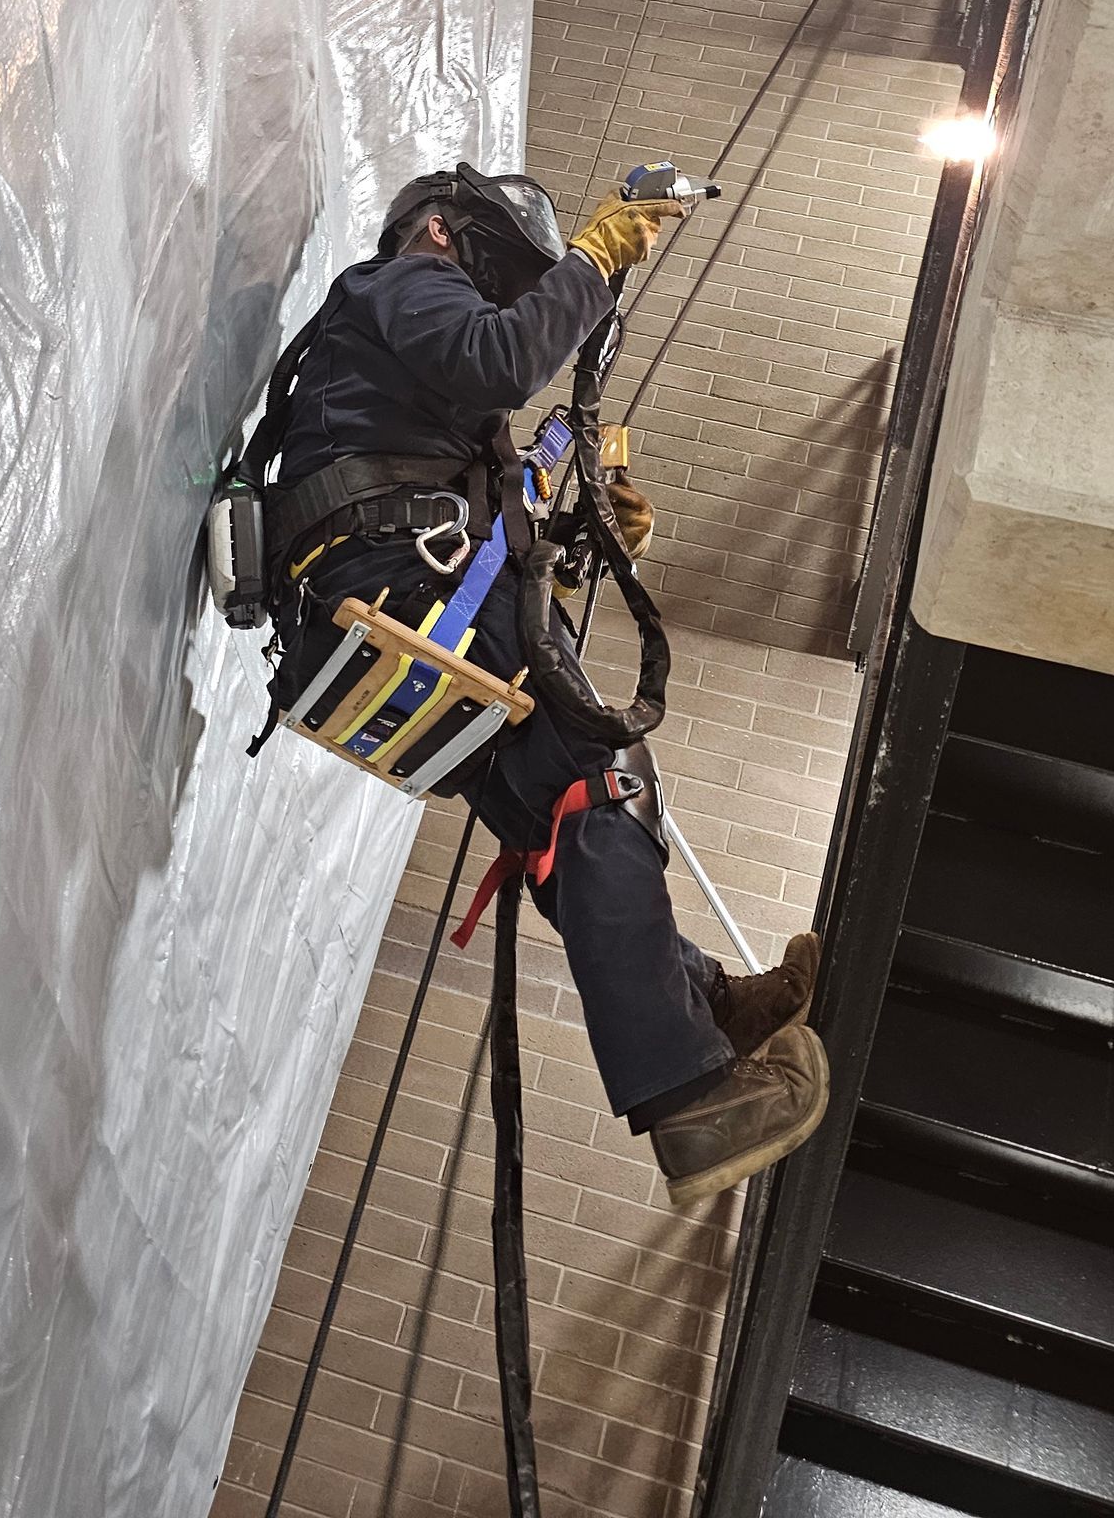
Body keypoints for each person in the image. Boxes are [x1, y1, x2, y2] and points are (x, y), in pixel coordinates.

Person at [253, 162, 827, 1208]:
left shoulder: (408, 385)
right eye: (501, 278)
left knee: (559, 822)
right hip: (399, 583)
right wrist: (599, 258)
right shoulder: (405, 282)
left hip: (400, 593)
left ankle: (701, 1010)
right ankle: (694, 1092)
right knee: (595, 782)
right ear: (443, 229)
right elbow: (505, 358)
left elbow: (478, 503)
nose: (503, 305)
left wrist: (591, 530)